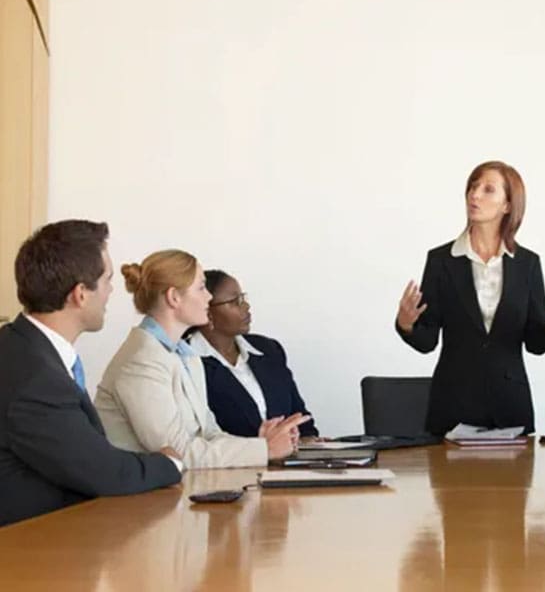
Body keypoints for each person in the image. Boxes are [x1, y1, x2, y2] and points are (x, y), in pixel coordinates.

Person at [0, 220, 181, 526]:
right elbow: (103, 473)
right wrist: (169, 463)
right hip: (28, 555)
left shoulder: (20, 347)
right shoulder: (35, 378)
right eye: (107, 279)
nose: (112, 291)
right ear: (81, 293)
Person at [396, 160, 545, 435]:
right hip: (453, 406)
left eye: (488, 189)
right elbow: (427, 340)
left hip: (510, 406)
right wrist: (407, 324)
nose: (475, 195)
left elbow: (535, 343)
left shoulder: (527, 264)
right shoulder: (441, 261)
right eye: (473, 187)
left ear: (507, 204)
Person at [95, 250, 306, 468]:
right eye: (201, 287)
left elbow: (210, 433)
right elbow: (177, 454)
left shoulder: (184, 355)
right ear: (174, 297)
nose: (208, 297)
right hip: (140, 500)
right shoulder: (141, 361)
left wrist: (261, 444)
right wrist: (265, 449)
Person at [188, 269, 319, 438]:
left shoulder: (268, 350)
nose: (246, 306)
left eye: (243, 298)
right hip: (230, 462)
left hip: (289, 460)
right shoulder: (187, 360)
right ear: (207, 311)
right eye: (235, 301)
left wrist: (311, 442)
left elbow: (301, 418)